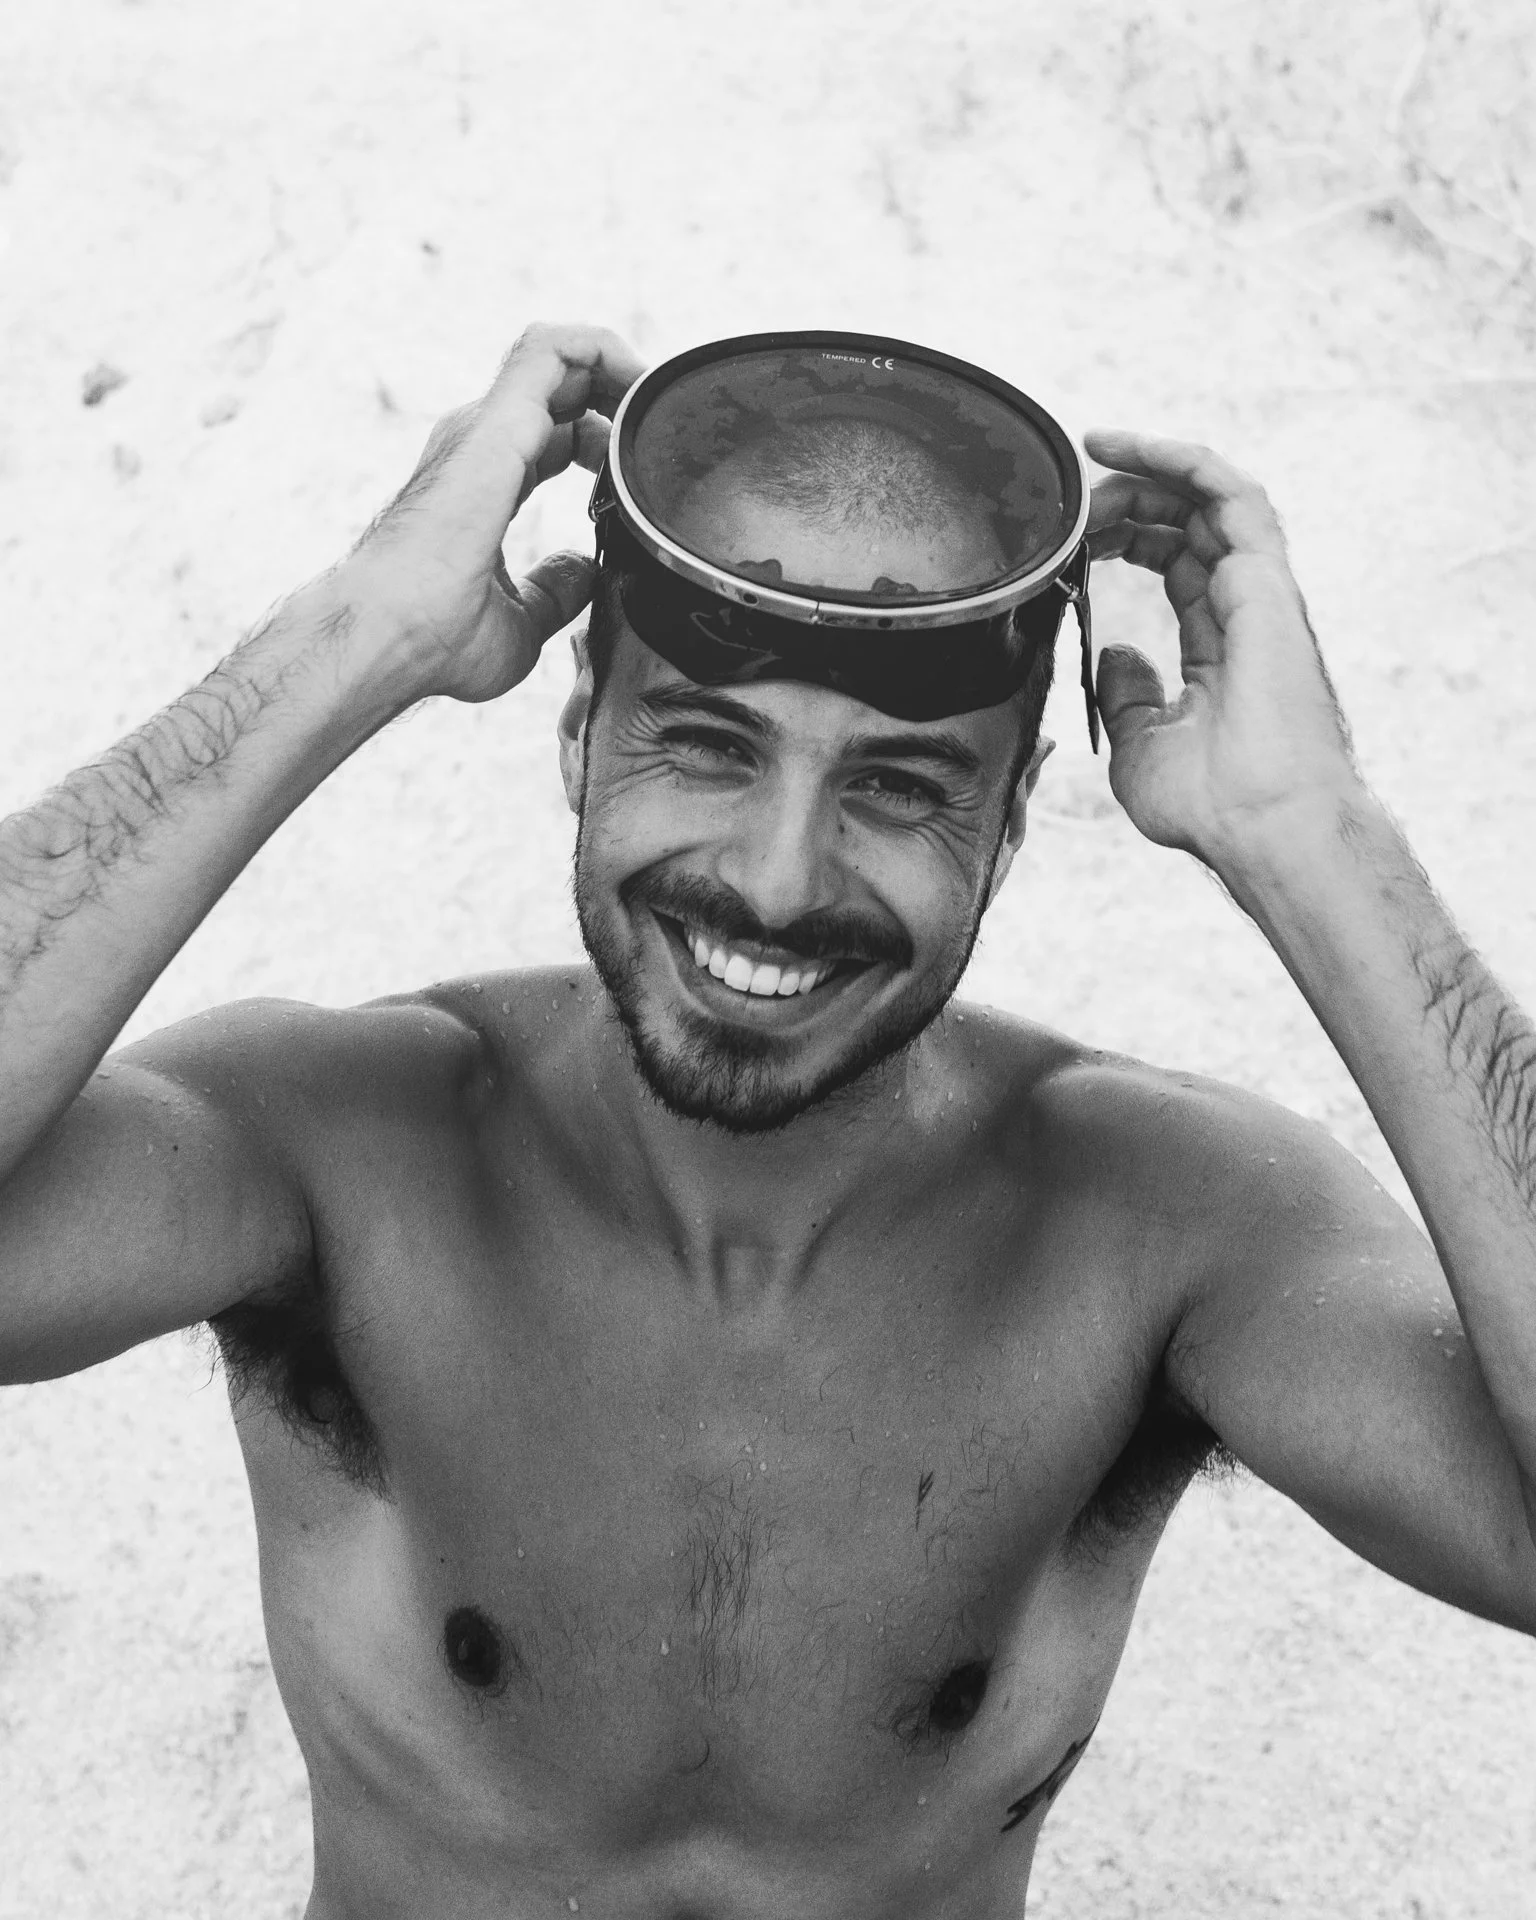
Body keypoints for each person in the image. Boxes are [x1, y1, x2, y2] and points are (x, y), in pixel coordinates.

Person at [1, 320, 1532, 1919]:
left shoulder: (1157, 1231)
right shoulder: (340, 1159)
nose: (780, 881)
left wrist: (1312, 836)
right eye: (708, 747)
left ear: (1013, 824)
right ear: (581, 733)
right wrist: (351, 635)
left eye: (898, 788)